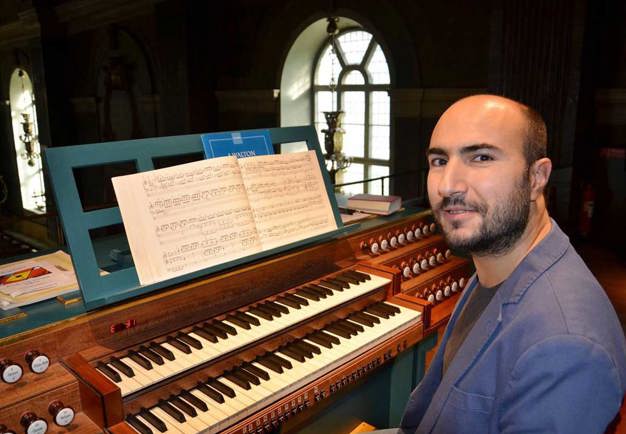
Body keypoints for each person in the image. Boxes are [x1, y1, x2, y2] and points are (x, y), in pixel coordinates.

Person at [395, 94, 626, 433]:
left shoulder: (566, 347)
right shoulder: (497, 264)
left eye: (481, 157)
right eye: (439, 161)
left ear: (537, 178)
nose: (448, 186)